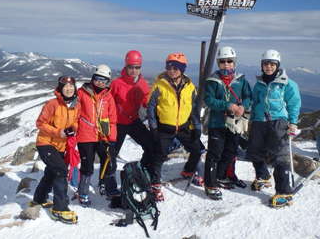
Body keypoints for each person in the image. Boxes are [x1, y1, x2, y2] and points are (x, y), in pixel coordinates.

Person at [247, 49, 301, 207]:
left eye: (272, 64)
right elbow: (255, 102)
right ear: (262, 65)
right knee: (255, 151)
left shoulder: (287, 84)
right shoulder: (259, 84)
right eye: (266, 64)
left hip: (278, 122)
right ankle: (263, 176)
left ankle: (284, 192)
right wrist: (249, 118)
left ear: (277, 65)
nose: (269, 67)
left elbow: (294, 103)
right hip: (258, 122)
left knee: (279, 156)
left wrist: (293, 122)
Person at [147, 52, 202, 201]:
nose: (172, 70)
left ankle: (189, 171)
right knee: (159, 156)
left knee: (197, 149)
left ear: (182, 69)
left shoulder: (189, 87)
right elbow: (150, 108)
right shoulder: (160, 85)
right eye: (169, 67)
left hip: (183, 127)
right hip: (165, 128)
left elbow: (193, 108)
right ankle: (155, 184)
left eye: (176, 68)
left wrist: (196, 127)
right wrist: (154, 128)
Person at [203, 46, 252, 200]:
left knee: (230, 151)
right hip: (217, 123)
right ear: (218, 63)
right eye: (223, 61)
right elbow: (209, 100)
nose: (226, 64)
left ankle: (224, 176)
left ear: (234, 62)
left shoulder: (241, 80)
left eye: (229, 61)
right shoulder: (212, 81)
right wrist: (227, 105)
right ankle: (210, 184)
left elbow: (248, 96)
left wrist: (243, 106)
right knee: (214, 153)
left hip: (235, 123)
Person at [107, 50, 155, 195]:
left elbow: (147, 101)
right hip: (118, 123)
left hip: (133, 121)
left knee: (151, 145)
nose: (133, 70)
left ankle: (143, 172)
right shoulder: (117, 84)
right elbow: (107, 102)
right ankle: (108, 184)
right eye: (131, 67)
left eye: (137, 67)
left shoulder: (142, 83)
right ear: (126, 66)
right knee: (111, 154)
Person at [33, 75, 79, 224]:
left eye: (71, 86)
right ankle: (60, 208)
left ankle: (39, 199)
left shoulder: (75, 105)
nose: (69, 88)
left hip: (60, 146)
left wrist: (73, 129)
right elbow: (40, 123)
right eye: (65, 86)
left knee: (52, 173)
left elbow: (76, 122)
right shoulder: (52, 104)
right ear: (60, 88)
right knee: (60, 170)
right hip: (45, 143)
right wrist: (58, 132)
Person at [76, 64, 118, 206]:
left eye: (104, 80)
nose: (100, 83)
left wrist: (111, 139)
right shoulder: (81, 93)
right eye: (98, 79)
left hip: (103, 136)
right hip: (85, 135)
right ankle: (83, 192)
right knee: (87, 166)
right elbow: (74, 113)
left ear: (108, 82)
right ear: (93, 78)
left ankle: (106, 186)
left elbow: (112, 119)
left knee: (108, 162)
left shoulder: (108, 97)